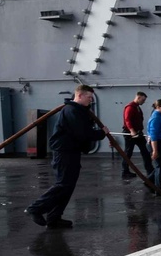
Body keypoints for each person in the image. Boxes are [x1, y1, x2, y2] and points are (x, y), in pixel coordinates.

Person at [25, 84, 108, 229]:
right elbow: (82, 133)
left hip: (71, 152)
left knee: (68, 186)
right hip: (64, 152)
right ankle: (35, 208)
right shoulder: (71, 110)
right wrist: (102, 133)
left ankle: (54, 218)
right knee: (63, 184)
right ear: (80, 95)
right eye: (89, 97)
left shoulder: (78, 111)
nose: (91, 100)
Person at [121, 91, 154, 179]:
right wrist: (132, 131)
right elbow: (127, 120)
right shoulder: (130, 107)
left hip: (138, 133)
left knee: (145, 152)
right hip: (130, 133)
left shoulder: (137, 107)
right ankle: (125, 171)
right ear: (138, 97)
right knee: (128, 152)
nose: (143, 102)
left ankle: (150, 170)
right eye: (143, 100)